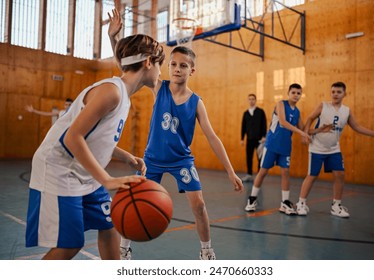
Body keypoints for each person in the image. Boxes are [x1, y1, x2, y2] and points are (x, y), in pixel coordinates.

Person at [108, 9, 243, 261]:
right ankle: (124, 248)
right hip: (152, 159)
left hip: (182, 160)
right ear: (167, 66)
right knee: (134, 202)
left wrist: (230, 171)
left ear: (192, 70)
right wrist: (113, 39)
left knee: (199, 205)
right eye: (173, 64)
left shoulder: (196, 103)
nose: (177, 69)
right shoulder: (159, 88)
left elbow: (213, 137)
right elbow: (128, 68)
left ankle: (206, 252)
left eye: (183, 65)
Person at [25, 33, 165, 259]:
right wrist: (107, 179)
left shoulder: (123, 94)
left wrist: (125, 156)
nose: (160, 72)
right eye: (160, 64)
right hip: (60, 169)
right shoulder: (111, 91)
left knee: (110, 225)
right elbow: (73, 137)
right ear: (148, 62)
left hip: (83, 171)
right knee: (70, 244)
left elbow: (96, 138)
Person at [296, 81, 374, 218]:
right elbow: (310, 118)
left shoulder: (346, 111)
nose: (335, 94)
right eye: (333, 91)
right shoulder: (323, 106)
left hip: (334, 149)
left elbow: (357, 127)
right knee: (312, 175)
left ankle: (336, 206)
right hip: (317, 148)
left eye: (338, 92)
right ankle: (301, 203)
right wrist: (305, 134)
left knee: (340, 174)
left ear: (344, 94)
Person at [244, 83, 311, 214]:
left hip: (285, 147)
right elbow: (283, 122)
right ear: (288, 93)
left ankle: (284, 202)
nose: (296, 95)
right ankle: (252, 199)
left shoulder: (297, 112)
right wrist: (302, 133)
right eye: (293, 92)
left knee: (285, 173)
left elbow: (304, 129)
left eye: (298, 93)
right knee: (263, 172)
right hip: (272, 144)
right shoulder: (281, 104)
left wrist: (321, 129)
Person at [240, 93, 267, 182]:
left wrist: (264, 136)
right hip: (249, 139)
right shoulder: (246, 113)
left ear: (255, 100)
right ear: (248, 100)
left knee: (260, 157)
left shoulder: (260, 111)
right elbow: (243, 126)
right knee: (249, 156)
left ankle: (259, 175)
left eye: (253, 99)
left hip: (259, 140)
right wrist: (242, 139)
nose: (251, 101)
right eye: (250, 99)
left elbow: (264, 124)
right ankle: (249, 174)